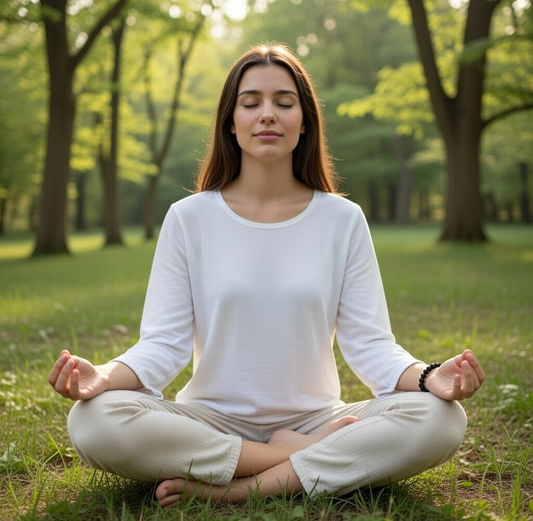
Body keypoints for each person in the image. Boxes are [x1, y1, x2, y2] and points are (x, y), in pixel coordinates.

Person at [48, 43, 485, 507]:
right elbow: (163, 343)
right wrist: (104, 376)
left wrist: (429, 378)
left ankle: (238, 488)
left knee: (442, 419)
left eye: (284, 102)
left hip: (317, 419)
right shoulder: (188, 218)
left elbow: (372, 344)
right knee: (92, 420)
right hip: (207, 420)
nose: (268, 115)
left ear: (305, 121)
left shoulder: (343, 220)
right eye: (251, 102)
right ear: (230, 123)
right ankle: (293, 458)